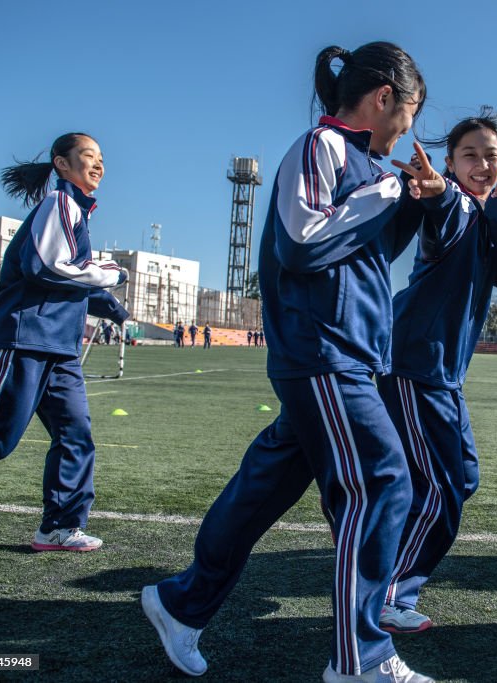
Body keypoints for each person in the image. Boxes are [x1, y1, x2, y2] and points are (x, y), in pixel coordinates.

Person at [141, 42, 436, 682]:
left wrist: (411, 202)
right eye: (409, 115)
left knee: (263, 488)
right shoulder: (320, 147)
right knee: (383, 483)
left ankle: (180, 605)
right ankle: (361, 659)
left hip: (346, 354)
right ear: (386, 98)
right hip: (323, 353)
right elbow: (304, 241)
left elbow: (364, 252)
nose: (407, 134)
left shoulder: (364, 163)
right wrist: (389, 190)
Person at [378, 108, 497, 634]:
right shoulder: (456, 209)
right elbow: (448, 207)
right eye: (469, 156)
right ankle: (388, 594)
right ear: (450, 162)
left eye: (490, 156)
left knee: (459, 478)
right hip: (415, 365)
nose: (481, 164)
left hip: (442, 376)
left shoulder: (491, 220)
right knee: (442, 486)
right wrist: (436, 187)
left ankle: (372, 542)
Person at [0, 132, 127, 551]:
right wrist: (111, 273)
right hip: (25, 338)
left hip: (59, 347)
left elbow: (63, 276)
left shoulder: (76, 212)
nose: (98, 165)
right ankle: (61, 525)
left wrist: (109, 304)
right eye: (88, 156)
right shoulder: (59, 204)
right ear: (62, 164)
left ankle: (60, 527)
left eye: (101, 158)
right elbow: (46, 266)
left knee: (75, 435)